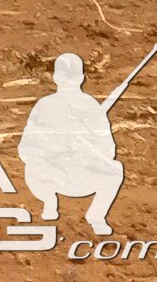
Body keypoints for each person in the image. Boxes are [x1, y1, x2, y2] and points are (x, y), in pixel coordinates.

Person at [19, 52, 126, 234]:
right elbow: (26, 147)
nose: (67, 81)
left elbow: (108, 149)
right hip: (50, 174)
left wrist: (86, 150)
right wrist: (53, 151)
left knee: (115, 169)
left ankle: (96, 215)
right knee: (32, 165)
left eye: (70, 77)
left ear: (81, 78)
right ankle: (49, 202)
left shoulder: (91, 107)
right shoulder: (44, 105)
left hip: (80, 175)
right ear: (55, 78)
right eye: (63, 76)